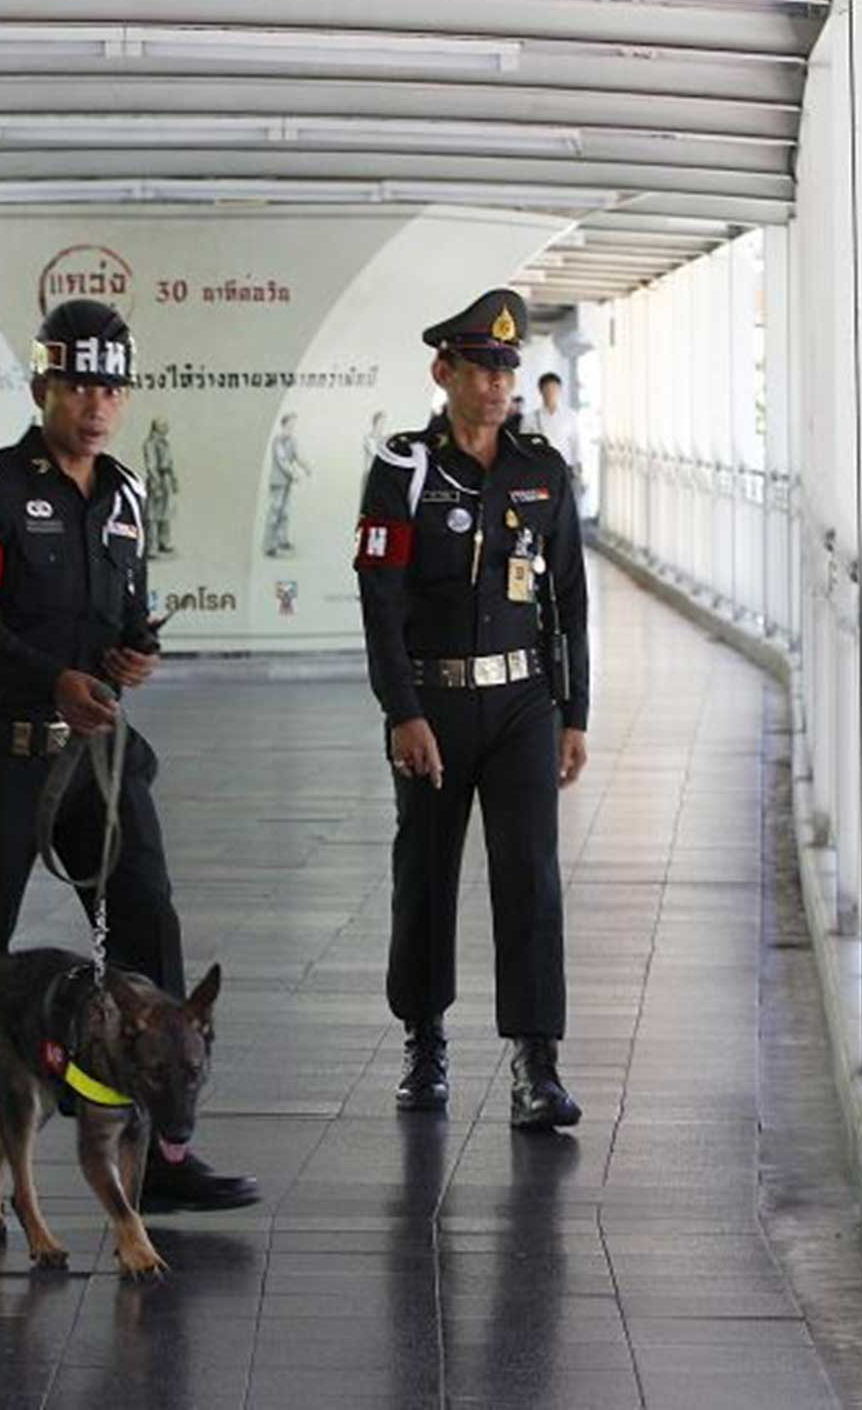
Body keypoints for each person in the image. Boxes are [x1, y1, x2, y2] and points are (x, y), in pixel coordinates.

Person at [0, 298, 258, 1212]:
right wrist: (52, 678)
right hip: (6, 748)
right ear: (42, 388)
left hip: (98, 757)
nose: (97, 403)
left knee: (150, 923)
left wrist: (131, 651)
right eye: (78, 385)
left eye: (111, 386)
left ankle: (165, 1153)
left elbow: (120, 615)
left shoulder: (125, 494)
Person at [352, 288, 591, 1132]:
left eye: (506, 365)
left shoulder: (540, 472)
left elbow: (568, 597)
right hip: (436, 703)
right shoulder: (405, 469)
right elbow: (379, 602)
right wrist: (401, 711)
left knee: (531, 877)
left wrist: (575, 713)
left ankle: (537, 1062)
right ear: (443, 371)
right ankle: (424, 1041)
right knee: (426, 873)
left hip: (524, 699)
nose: (496, 382)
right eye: (480, 366)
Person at [525, 371, 584, 493]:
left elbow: (576, 443)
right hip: (540, 469)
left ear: (560, 390)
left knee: (564, 503)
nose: (550, 392)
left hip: (564, 468)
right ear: (540, 391)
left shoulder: (570, 416)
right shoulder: (530, 418)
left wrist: (578, 468)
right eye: (547, 389)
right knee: (543, 503)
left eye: (554, 388)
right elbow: (524, 445)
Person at [263, 412, 311, 556]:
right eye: (291, 423)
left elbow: (297, 456)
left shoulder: (292, 440)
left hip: (287, 483)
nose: (293, 426)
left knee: (285, 513)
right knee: (275, 511)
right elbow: (282, 460)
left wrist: (306, 466)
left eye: (294, 424)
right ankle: (269, 545)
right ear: (284, 424)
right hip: (277, 481)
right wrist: (294, 473)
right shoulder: (277, 441)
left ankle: (282, 540)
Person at [142, 417, 179, 556]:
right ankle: (152, 546)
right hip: (157, 480)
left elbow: (170, 463)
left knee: (166, 513)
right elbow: (151, 466)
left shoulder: (165, 443)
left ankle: (165, 542)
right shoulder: (150, 444)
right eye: (163, 427)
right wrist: (155, 483)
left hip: (166, 480)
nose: (166, 429)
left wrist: (173, 480)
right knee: (152, 515)